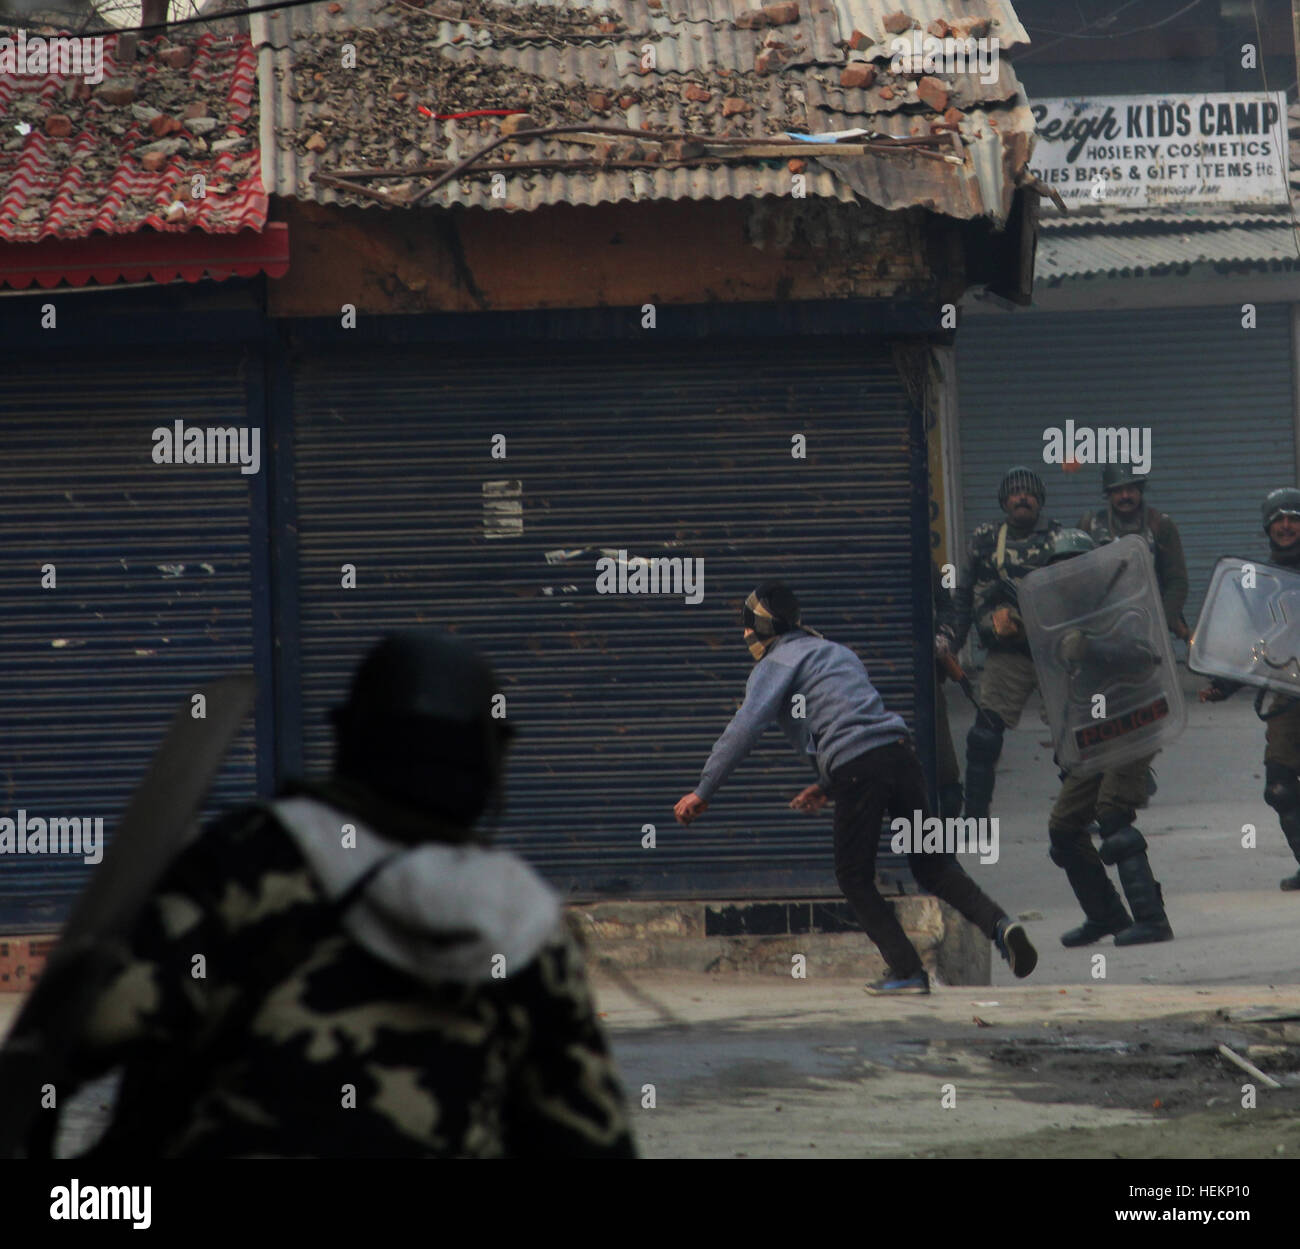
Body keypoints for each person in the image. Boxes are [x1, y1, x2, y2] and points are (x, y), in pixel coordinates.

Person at [42, 629, 637, 1157]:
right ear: (488, 761)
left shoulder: (249, 861)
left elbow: (72, 1039)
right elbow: (591, 1138)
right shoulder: (525, 922)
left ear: (352, 736)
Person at [673, 581, 1037, 995]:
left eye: (746, 625)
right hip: (900, 756)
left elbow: (745, 727)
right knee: (932, 865)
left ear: (764, 627)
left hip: (858, 767)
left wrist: (703, 790)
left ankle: (907, 971)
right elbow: (850, 719)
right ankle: (1001, 926)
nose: (743, 635)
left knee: (853, 877)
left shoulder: (774, 664)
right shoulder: (836, 652)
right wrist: (827, 785)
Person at [1037, 529, 1174, 947]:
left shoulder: (1123, 605)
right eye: (1059, 568)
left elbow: (1142, 653)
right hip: (1093, 732)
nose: (1067, 575)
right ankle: (1107, 916)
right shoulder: (1057, 617)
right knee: (1063, 828)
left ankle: (1152, 919)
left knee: (1113, 814)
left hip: (1134, 721)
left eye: (1074, 565)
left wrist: (1092, 647)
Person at [1201, 488, 1300, 891]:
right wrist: (1223, 683)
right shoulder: (1258, 583)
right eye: (1278, 519)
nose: (1286, 525)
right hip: (1285, 691)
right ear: (1267, 526)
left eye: (1294, 517)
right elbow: (1252, 645)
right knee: (1279, 785)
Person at [951, 466, 1063, 819]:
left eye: (1028, 493)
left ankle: (1084, 811)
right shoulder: (986, 539)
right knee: (984, 736)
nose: (1022, 498)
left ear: (1039, 501)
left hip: (1052, 653)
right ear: (1004, 501)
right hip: (1007, 654)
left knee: (1074, 735)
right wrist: (951, 645)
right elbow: (963, 596)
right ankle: (975, 815)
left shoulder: (1060, 539)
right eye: (1014, 492)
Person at [1078, 464, 1190, 641]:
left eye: (1130, 489)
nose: (1125, 496)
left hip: (1149, 629)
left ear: (1140, 490)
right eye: (1118, 491)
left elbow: (1177, 582)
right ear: (1108, 493)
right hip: (1101, 630)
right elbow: (1076, 582)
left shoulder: (1160, 525)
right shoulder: (1090, 526)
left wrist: (1162, 622)